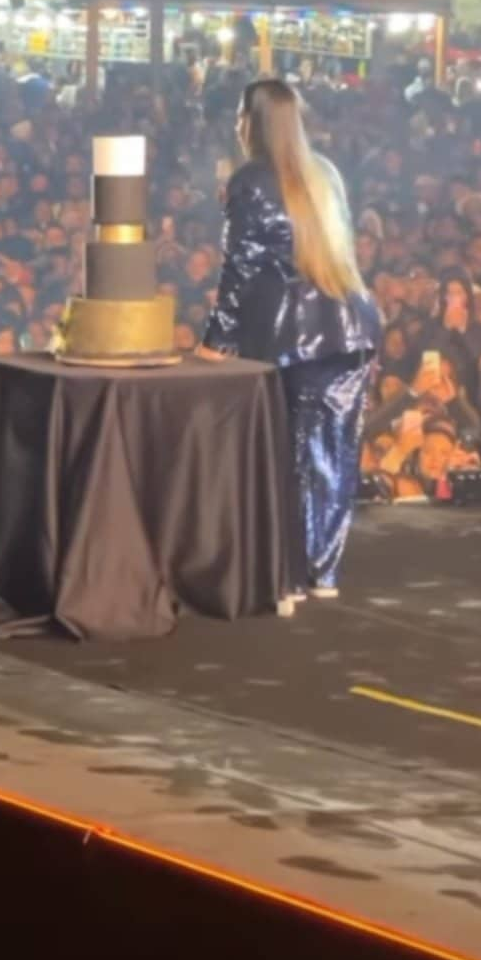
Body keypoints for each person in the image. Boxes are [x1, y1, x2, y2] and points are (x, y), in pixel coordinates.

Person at [197, 79, 380, 603]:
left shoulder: (252, 180)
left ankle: (288, 575)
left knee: (288, 452)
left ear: (250, 121)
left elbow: (240, 269)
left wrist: (216, 341)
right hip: (348, 326)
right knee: (333, 453)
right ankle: (321, 570)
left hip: (292, 333)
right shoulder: (325, 173)